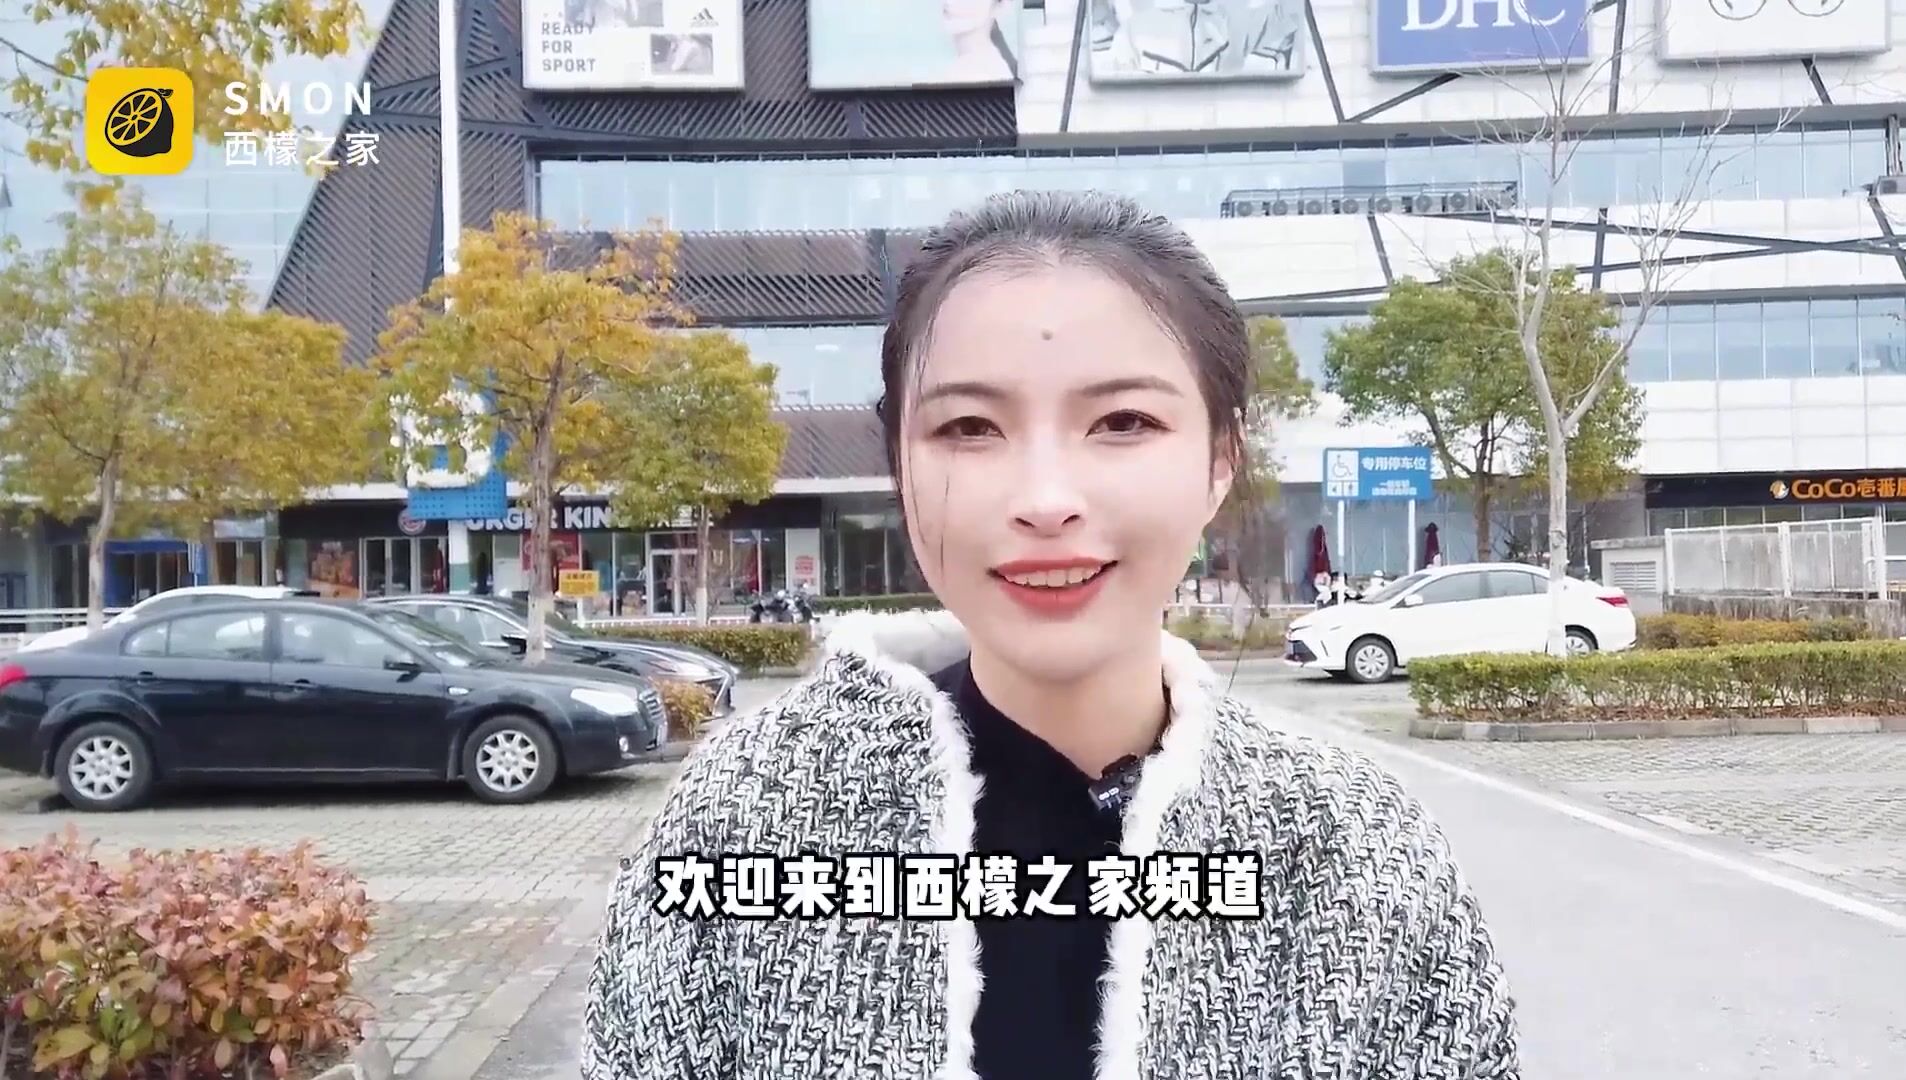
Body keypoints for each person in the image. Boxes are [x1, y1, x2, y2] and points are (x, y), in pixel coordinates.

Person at [580, 191, 1519, 1080]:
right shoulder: (746, 818)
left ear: (1220, 459)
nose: (1044, 500)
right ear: (899, 463)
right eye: (969, 427)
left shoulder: (1356, 849)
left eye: (1123, 421)